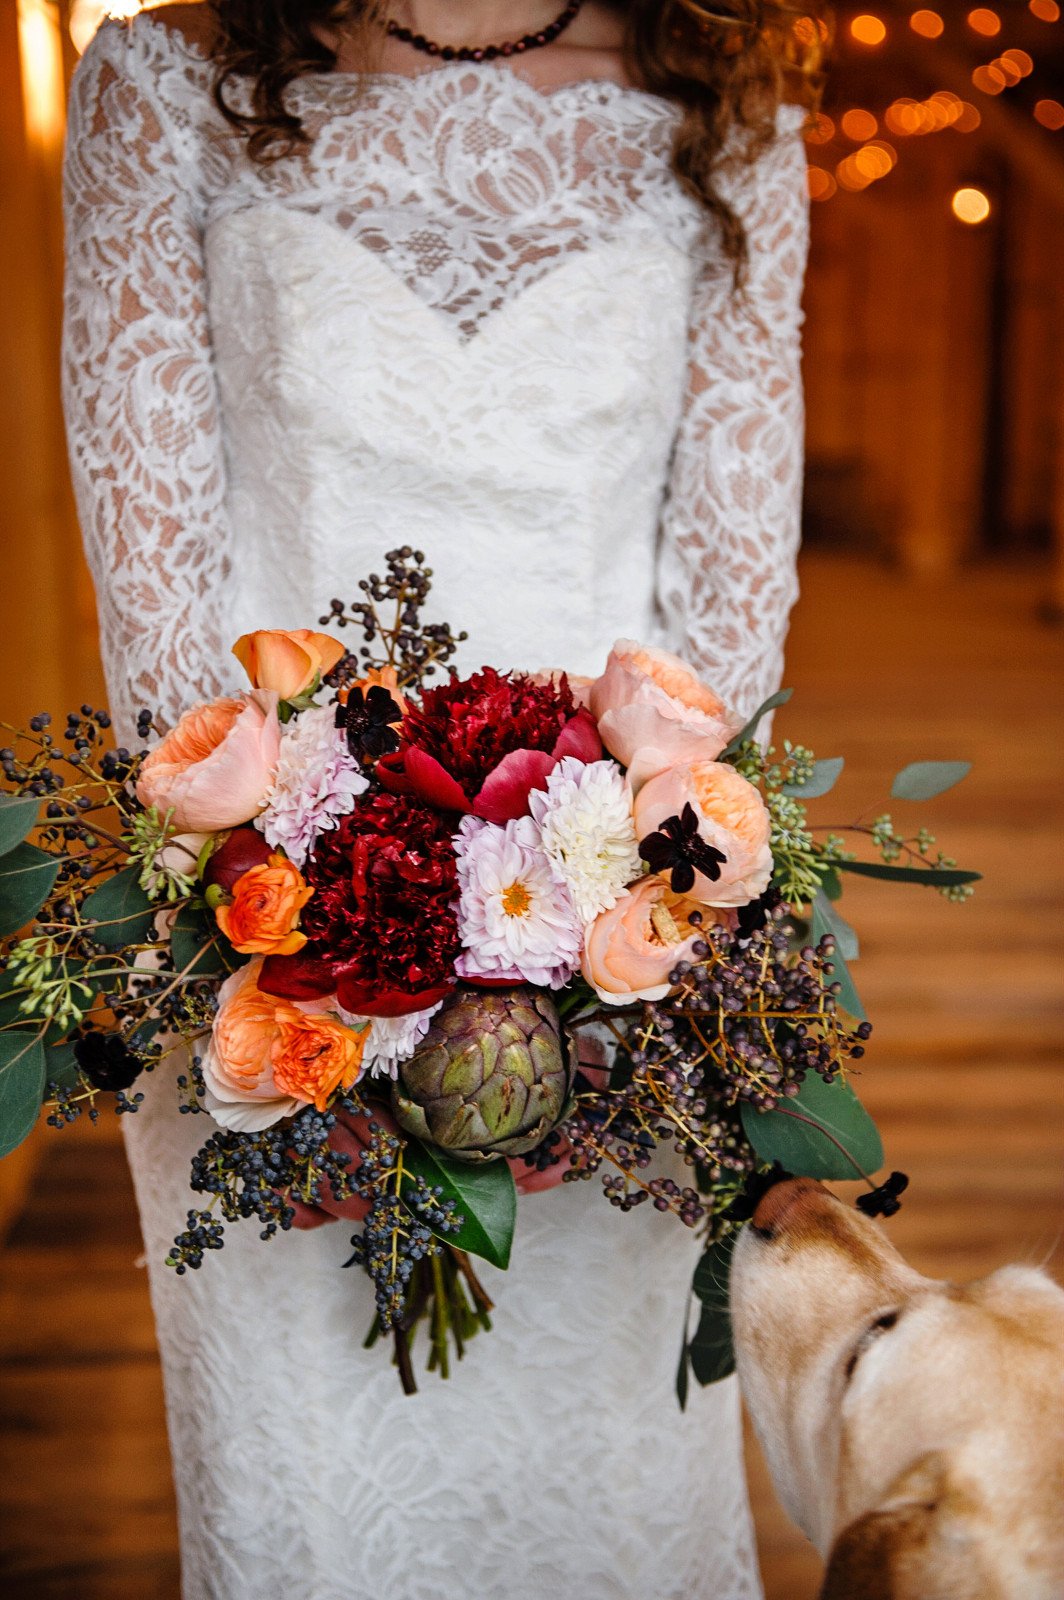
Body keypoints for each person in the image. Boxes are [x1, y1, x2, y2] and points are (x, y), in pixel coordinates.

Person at [61, 3, 815, 1596]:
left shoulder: (728, 112)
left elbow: (728, 620)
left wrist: (587, 975)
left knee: (611, 1484)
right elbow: (161, 621)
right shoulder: (164, 87)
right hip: (269, 969)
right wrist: (308, 972)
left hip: (623, 967)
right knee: (318, 1511)